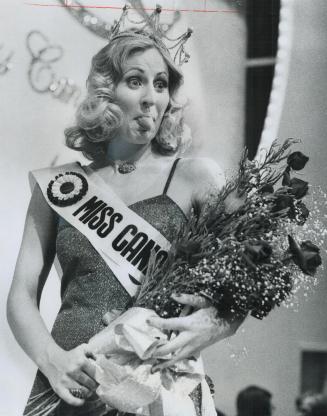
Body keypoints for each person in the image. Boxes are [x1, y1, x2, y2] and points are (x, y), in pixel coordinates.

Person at [7, 23, 241, 416]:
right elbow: (21, 296)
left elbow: (249, 275)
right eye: (136, 81)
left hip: (158, 385)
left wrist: (215, 324)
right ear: (105, 91)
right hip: (71, 383)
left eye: (162, 84)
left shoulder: (197, 177)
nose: (152, 98)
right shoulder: (61, 186)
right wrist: (52, 361)